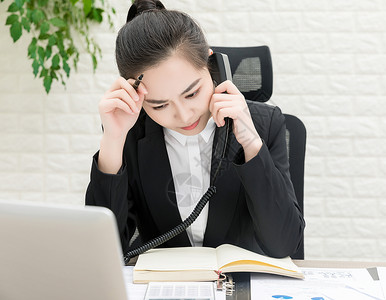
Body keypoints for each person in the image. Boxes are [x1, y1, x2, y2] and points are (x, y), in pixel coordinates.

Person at [85, 0, 304, 258]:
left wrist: (252, 144)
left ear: (212, 66)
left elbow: (284, 245)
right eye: (160, 105)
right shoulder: (130, 134)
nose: (183, 114)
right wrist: (112, 140)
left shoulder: (265, 124)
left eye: (192, 93)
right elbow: (100, 253)